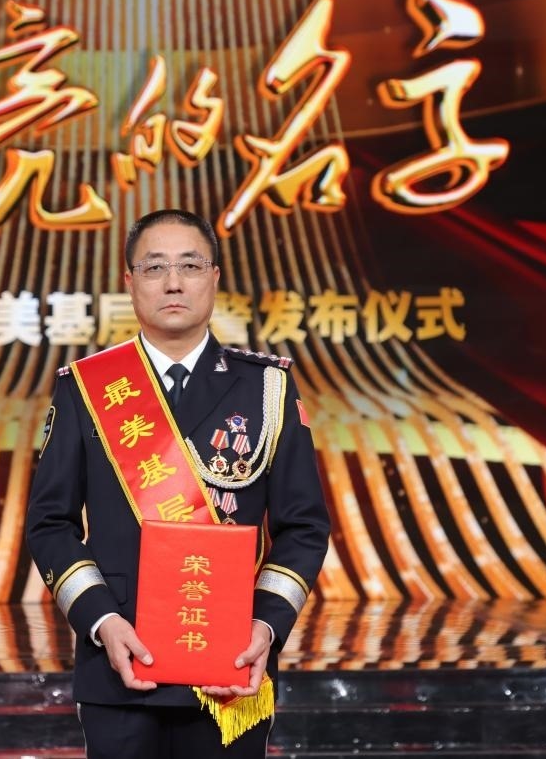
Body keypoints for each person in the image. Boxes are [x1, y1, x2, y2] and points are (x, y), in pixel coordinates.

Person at [25, 209, 331, 758]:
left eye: (190, 265)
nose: (172, 282)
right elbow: (50, 525)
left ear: (214, 277)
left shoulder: (267, 388)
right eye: (154, 267)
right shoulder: (87, 388)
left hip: (232, 667)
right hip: (119, 664)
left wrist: (265, 625)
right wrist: (101, 620)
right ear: (130, 281)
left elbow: (303, 528)